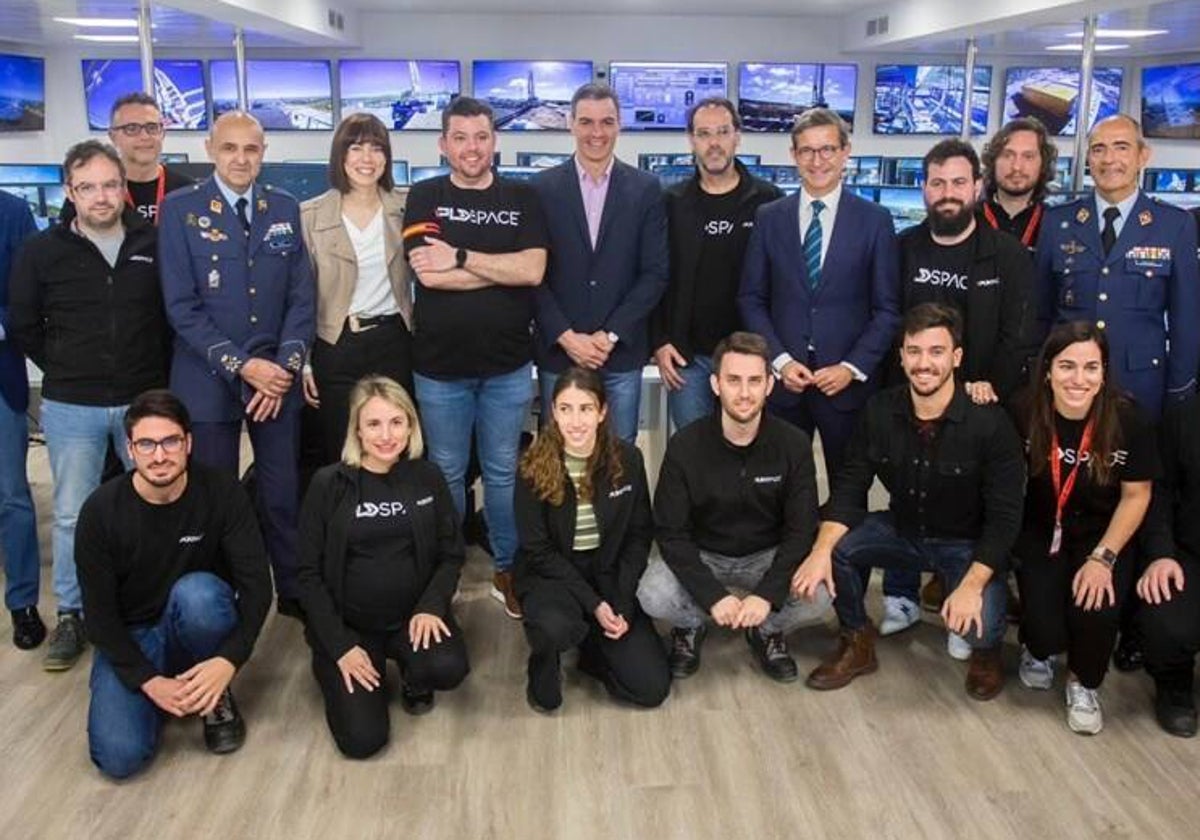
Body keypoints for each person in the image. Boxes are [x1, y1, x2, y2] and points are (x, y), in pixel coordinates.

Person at [794, 303, 1024, 701]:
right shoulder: (880, 410)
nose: (924, 363)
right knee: (837, 548)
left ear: (956, 357)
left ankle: (986, 654)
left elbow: (1005, 519)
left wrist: (972, 585)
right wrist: (821, 548)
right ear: (900, 357)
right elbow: (850, 487)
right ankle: (857, 641)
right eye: (914, 351)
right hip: (902, 532)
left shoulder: (990, 423)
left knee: (980, 626)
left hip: (966, 545)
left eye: (936, 352)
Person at [9, 140, 170, 670]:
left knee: (153, 505)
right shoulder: (42, 250)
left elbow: (171, 316)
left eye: (108, 185)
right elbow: (27, 324)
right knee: (75, 513)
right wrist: (62, 366)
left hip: (143, 401)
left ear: (123, 186)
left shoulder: (154, 240)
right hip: (71, 403)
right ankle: (74, 614)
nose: (100, 197)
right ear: (70, 192)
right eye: (87, 187)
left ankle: (155, 605)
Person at [158, 111, 315, 618]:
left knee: (281, 492)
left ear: (263, 151)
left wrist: (284, 368)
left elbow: (301, 297)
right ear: (210, 149)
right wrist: (243, 366)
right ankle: (223, 593)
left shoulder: (285, 209)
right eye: (230, 148)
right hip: (207, 379)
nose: (241, 158)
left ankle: (292, 588)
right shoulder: (181, 210)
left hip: (276, 377)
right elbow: (181, 307)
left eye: (251, 149)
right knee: (214, 496)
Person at [880, 138, 1038, 643]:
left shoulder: (1007, 255)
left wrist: (987, 385)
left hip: (981, 405)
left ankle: (959, 592)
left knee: (966, 501)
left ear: (977, 187)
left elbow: (1019, 333)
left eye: (958, 183)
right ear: (924, 189)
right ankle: (901, 594)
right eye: (937, 183)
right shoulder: (902, 249)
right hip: (912, 403)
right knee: (905, 492)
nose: (947, 193)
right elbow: (887, 322)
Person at [75, 390, 273, 779]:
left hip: (194, 621)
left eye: (170, 441)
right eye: (147, 444)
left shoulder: (222, 493)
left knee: (199, 594)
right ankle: (168, 693)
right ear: (130, 449)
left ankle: (212, 691)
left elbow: (257, 587)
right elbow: (99, 619)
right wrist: (147, 680)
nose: (160, 455)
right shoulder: (100, 512)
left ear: (188, 443)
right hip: (134, 637)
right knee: (119, 758)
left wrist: (228, 659)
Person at [403, 96, 548, 620]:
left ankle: (508, 569)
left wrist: (461, 256)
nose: (472, 147)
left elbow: (532, 270)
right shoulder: (423, 195)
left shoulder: (523, 197)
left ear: (495, 141)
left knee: (503, 472)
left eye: (481, 136)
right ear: (443, 144)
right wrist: (495, 267)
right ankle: (445, 573)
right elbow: (427, 274)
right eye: (460, 137)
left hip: (508, 367)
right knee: (445, 473)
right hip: (440, 368)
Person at [638, 331, 830, 683]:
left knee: (818, 595)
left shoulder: (794, 444)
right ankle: (690, 626)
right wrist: (713, 598)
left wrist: (767, 597)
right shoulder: (685, 445)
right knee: (652, 593)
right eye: (733, 380)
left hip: (765, 556)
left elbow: (801, 531)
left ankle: (765, 630)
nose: (744, 393)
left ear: (769, 385)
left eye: (754, 381)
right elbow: (670, 533)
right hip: (704, 554)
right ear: (715, 384)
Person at [298, 376, 469, 759]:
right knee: (363, 741)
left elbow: (451, 554)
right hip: (350, 630)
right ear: (356, 430)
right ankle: (343, 668)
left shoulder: (427, 477)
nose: (386, 435)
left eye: (397, 422)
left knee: (448, 667)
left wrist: (430, 606)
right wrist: (340, 646)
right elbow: (306, 575)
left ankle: (412, 672)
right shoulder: (329, 485)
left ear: (411, 425)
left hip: (411, 620)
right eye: (374, 424)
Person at [738, 107, 900, 483]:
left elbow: (888, 309)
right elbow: (751, 298)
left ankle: (838, 545)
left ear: (846, 152)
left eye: (827, 149)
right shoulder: (769, 217)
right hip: (784, 384)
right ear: (794, 155)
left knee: (848, 488)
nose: (817, 160)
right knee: (777, 483)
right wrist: (778, 360)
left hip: (845, 387)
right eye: (807, 151)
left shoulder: (874, 220)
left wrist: (850, 368)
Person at [1011, 322, 1156, 734]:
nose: (1078, 379)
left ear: (1104, 373)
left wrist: (1104, 558)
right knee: (1044, 628)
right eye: (1066, 366)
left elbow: (1137, 496)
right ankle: (1037, 650)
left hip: (1103, 533)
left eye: (1091, 367)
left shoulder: (1130, 419)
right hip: (1043, 529)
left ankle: (1083, 683)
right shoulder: (1023, 410)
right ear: (1047, 371)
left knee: (1094, 607)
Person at [515, 367, 670, 712]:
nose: (576, 421)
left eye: (585, 408)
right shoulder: (531, 467)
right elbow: (537, 551)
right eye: (566, 409)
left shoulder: (628, 459)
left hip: (607, 574)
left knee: (651, 688)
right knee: (554, 630)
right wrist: (595, 604)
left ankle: (591, 647)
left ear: (602, 412)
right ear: (553, 411)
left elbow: (639, 533)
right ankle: (547, 654)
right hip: (552, 577)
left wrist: (621, 603)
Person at [1034, 114, 1199, 422]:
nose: (1109, 159)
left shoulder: (1174, 225)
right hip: (1070, 386)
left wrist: (1180, 391)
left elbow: (1186, 320)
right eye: (1098, 149)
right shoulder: (1058, 222)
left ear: (1142, 155)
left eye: (1121, 147)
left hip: (1140, 385)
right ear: (1088, 159)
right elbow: (1040, 311)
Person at [533, 83, 669, 443]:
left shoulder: (646, 189)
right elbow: (533, 276)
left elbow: (654, 273)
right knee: (557, 460)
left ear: (619, 125)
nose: (597, 133)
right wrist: (567, 337)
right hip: (560, 354)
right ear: (571, 124)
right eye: (587, 122)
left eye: (607, 122)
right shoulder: (540, 189)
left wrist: (608, 336)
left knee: (617, 460)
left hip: (620, 353)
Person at [651, 97, 781, 432]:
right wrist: (660, 340)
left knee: (749, 453)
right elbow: (654, 276)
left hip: (751, 358)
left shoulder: (770, 202)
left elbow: (783, 281)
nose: (714, 143)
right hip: (688, 359)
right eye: (704, 133)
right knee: (695, 455)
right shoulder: (671, 202)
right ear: (691, 139)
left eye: (723, 132)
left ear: (737, 136)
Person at [300, 113, 412, 464]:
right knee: (341, 448)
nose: (367, 158)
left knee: (394, 445)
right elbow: (299, 296)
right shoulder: (310, 215)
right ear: (340, 155)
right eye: (356, 148)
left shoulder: (407, 207)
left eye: (377, 148)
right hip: (336, 345)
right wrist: (303, 363)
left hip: (394, 340)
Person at [1138, 394, 1200, 737]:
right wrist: (1161, 554)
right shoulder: (1184, 417)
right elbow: (1158, 492)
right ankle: (1174, 686)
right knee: (1165, 614)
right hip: (1190, 553)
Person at [0, 190, 41, 649]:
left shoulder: (12, 212)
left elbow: (28, 300)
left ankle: (23, 604)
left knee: (10, 495)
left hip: (1, 377)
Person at [106, 91, 194, 223]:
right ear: (113, 137)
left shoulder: (188, 192)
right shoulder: (96, 194)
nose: (145, 136)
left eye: (152, 127)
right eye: (132, 128)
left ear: (162, 134)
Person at [978, 116, 1058, 251]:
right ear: (993, 162)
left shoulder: (1056, 225)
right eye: (1008, 155)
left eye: (1028, 157)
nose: (1017, 167)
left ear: (1043, 164)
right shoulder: (968, 219)